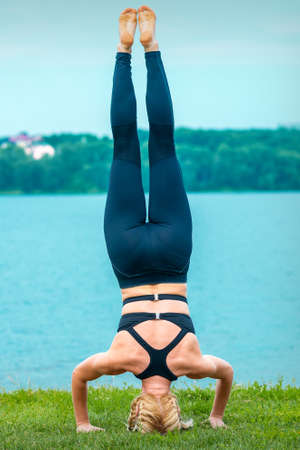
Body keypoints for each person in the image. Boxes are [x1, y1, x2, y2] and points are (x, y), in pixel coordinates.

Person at [72, 5, 233, 435]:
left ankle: (151, 46)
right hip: (128, 257)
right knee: (124, 147)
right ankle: (125, 50)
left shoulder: (191, 363)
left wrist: (216, 415)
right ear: (137, 405)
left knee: (164, 145)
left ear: (171, 408)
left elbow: (227, 373)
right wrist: (83, 424)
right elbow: (79, 377)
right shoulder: (121, 359)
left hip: (173, 252)